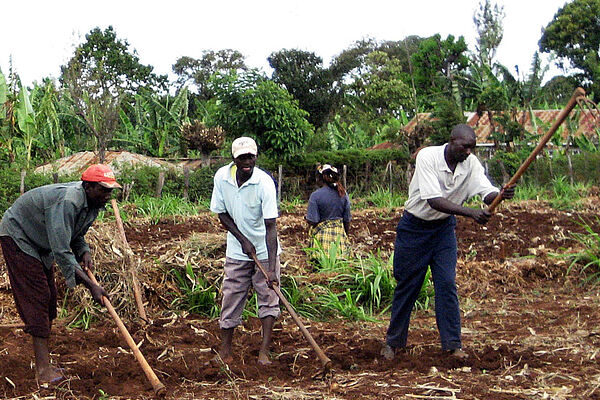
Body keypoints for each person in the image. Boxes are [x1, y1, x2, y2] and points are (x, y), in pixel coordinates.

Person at [381, 124, 515, 360]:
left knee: (446, 284)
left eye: (472, 148)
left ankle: (453, 345)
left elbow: (485, 192)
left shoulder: (470, 163)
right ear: (452, 141)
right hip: (414, 228)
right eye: (465, 147)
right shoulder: (428, 157)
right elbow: (434, 200)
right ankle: (393, 342)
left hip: (443, 229)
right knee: (408, 286)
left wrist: (500, 195)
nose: (468, 152)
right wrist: (471, 213)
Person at [0, 164, 119, 384]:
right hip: (19, 236)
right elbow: (62, 251)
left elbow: (74, 235)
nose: (107, 195)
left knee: (50, 298)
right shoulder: (68, 201)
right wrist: (91, 285)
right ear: (88, 187)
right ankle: (43, 371)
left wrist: (84, 251)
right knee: (38, 297)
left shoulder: (92, 205)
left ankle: (45, 362)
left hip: (39, 241)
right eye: (103, 189)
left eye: (110, 190)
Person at [210, 136, 281, 365]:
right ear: (234, 159)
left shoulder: (265, 183)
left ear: (256, 157)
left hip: (264, 248)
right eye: (242, 157)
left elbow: (271, 227)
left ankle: (264, 352)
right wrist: (242, 239)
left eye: (251, 156)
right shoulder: (222, 177)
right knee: (231, 295)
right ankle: (225, 352)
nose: (247, 161)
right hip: (238, 249)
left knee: (269, 298)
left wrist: (271, 269)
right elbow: (221, 214)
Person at [306, 164, 351, 256]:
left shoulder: (315, 196)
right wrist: (345, 237)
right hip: (340, 240)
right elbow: (347, 220)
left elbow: (313, 220)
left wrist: (307, 219)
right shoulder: (343, 194)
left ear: (320, 178)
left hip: (322, 242)